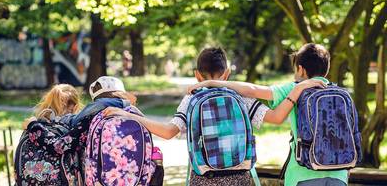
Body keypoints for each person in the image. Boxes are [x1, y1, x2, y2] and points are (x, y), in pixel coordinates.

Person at [103, 47, 325, 185]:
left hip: (203, 178)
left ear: (197, 75)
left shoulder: (192, 98)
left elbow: (169, 132)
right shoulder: (241, 97)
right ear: (227, 74)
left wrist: (131, 115)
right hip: (241, 177)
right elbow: (276, 118)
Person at [187, 43, 348, 186]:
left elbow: (253, 90)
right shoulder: (342, 94)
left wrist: (213, 83)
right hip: (339, 172)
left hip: (303, 173)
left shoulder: (295, 87)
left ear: (300, 69)